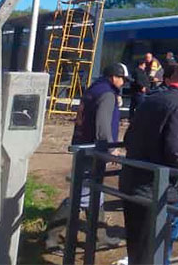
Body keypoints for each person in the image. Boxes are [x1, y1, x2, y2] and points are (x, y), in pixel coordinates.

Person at [119, 61, 178, 265]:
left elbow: (129, 138)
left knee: (139, 246)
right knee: (154, 244)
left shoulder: (151, 100)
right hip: (156, 187)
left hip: (133, 180)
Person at [45, 63, 128, 253]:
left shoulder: (95, 88)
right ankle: (51, 237)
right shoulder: (107, 94)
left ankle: (100, 236)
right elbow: (103, 124)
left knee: (95, 194)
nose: (123, 83)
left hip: (83, 145)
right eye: (122, 79)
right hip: (93, 150)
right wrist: (110, 148)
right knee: (81, 195)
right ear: (114, 76)